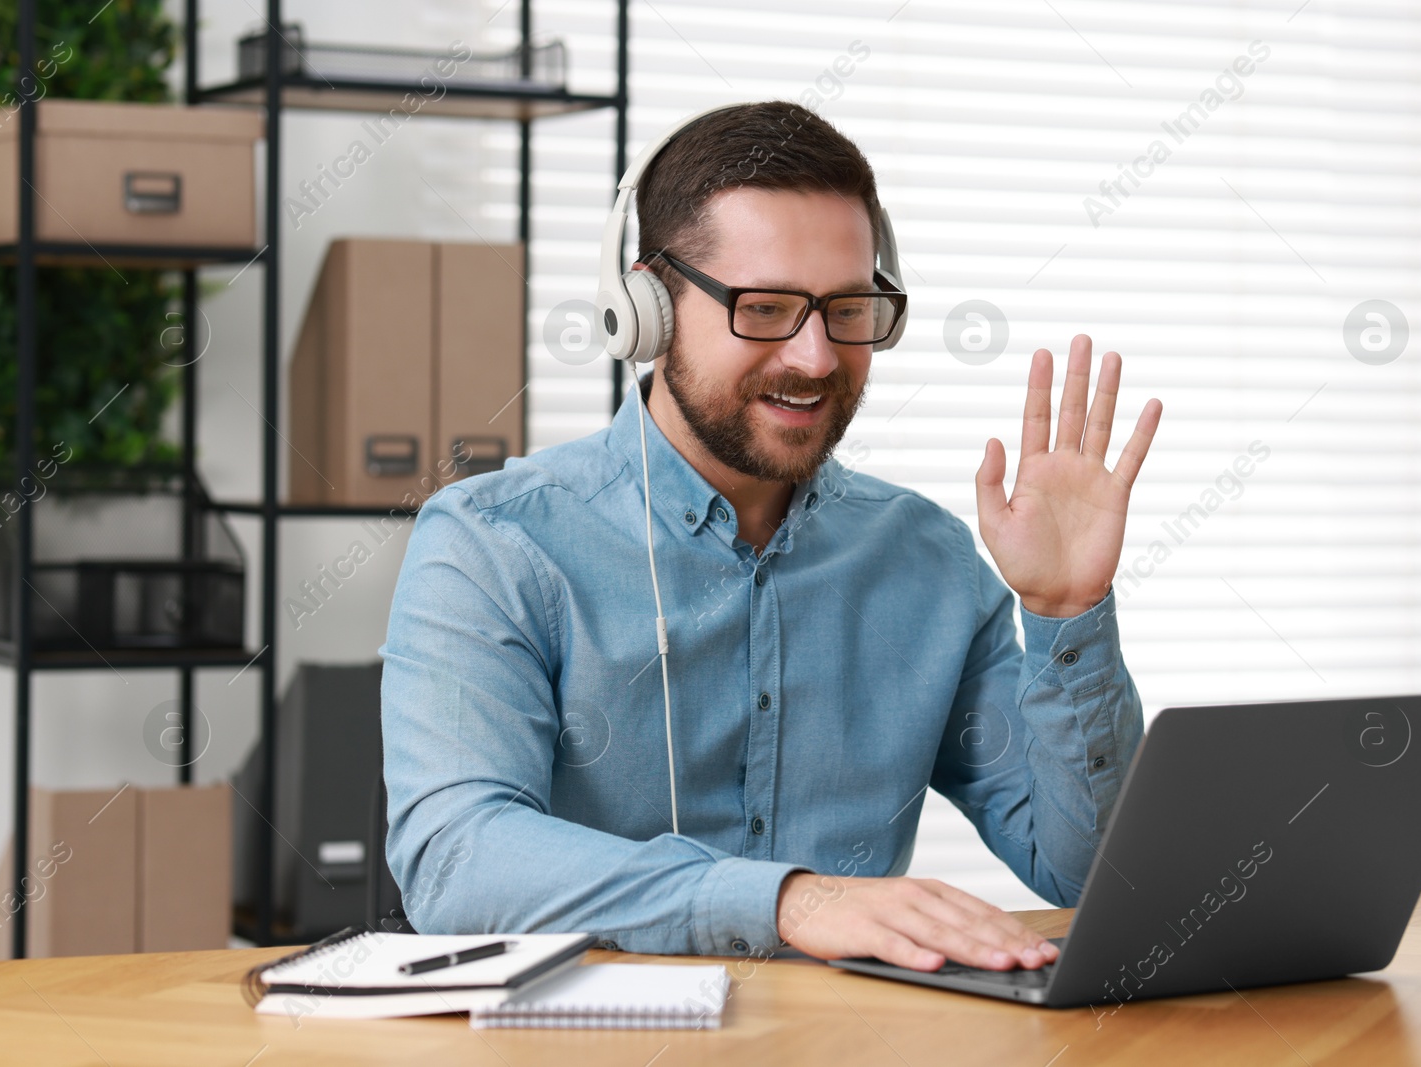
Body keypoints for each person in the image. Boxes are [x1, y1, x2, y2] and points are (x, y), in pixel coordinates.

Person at [380, 101, 1162, 975]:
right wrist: (790, 898)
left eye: (849, 309)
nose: (817, 358)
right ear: (648, 306)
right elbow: (455, 858)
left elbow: (1084, 872)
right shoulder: (492, 544)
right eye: (767, 308)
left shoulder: (928, 561)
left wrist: (1066, 613)